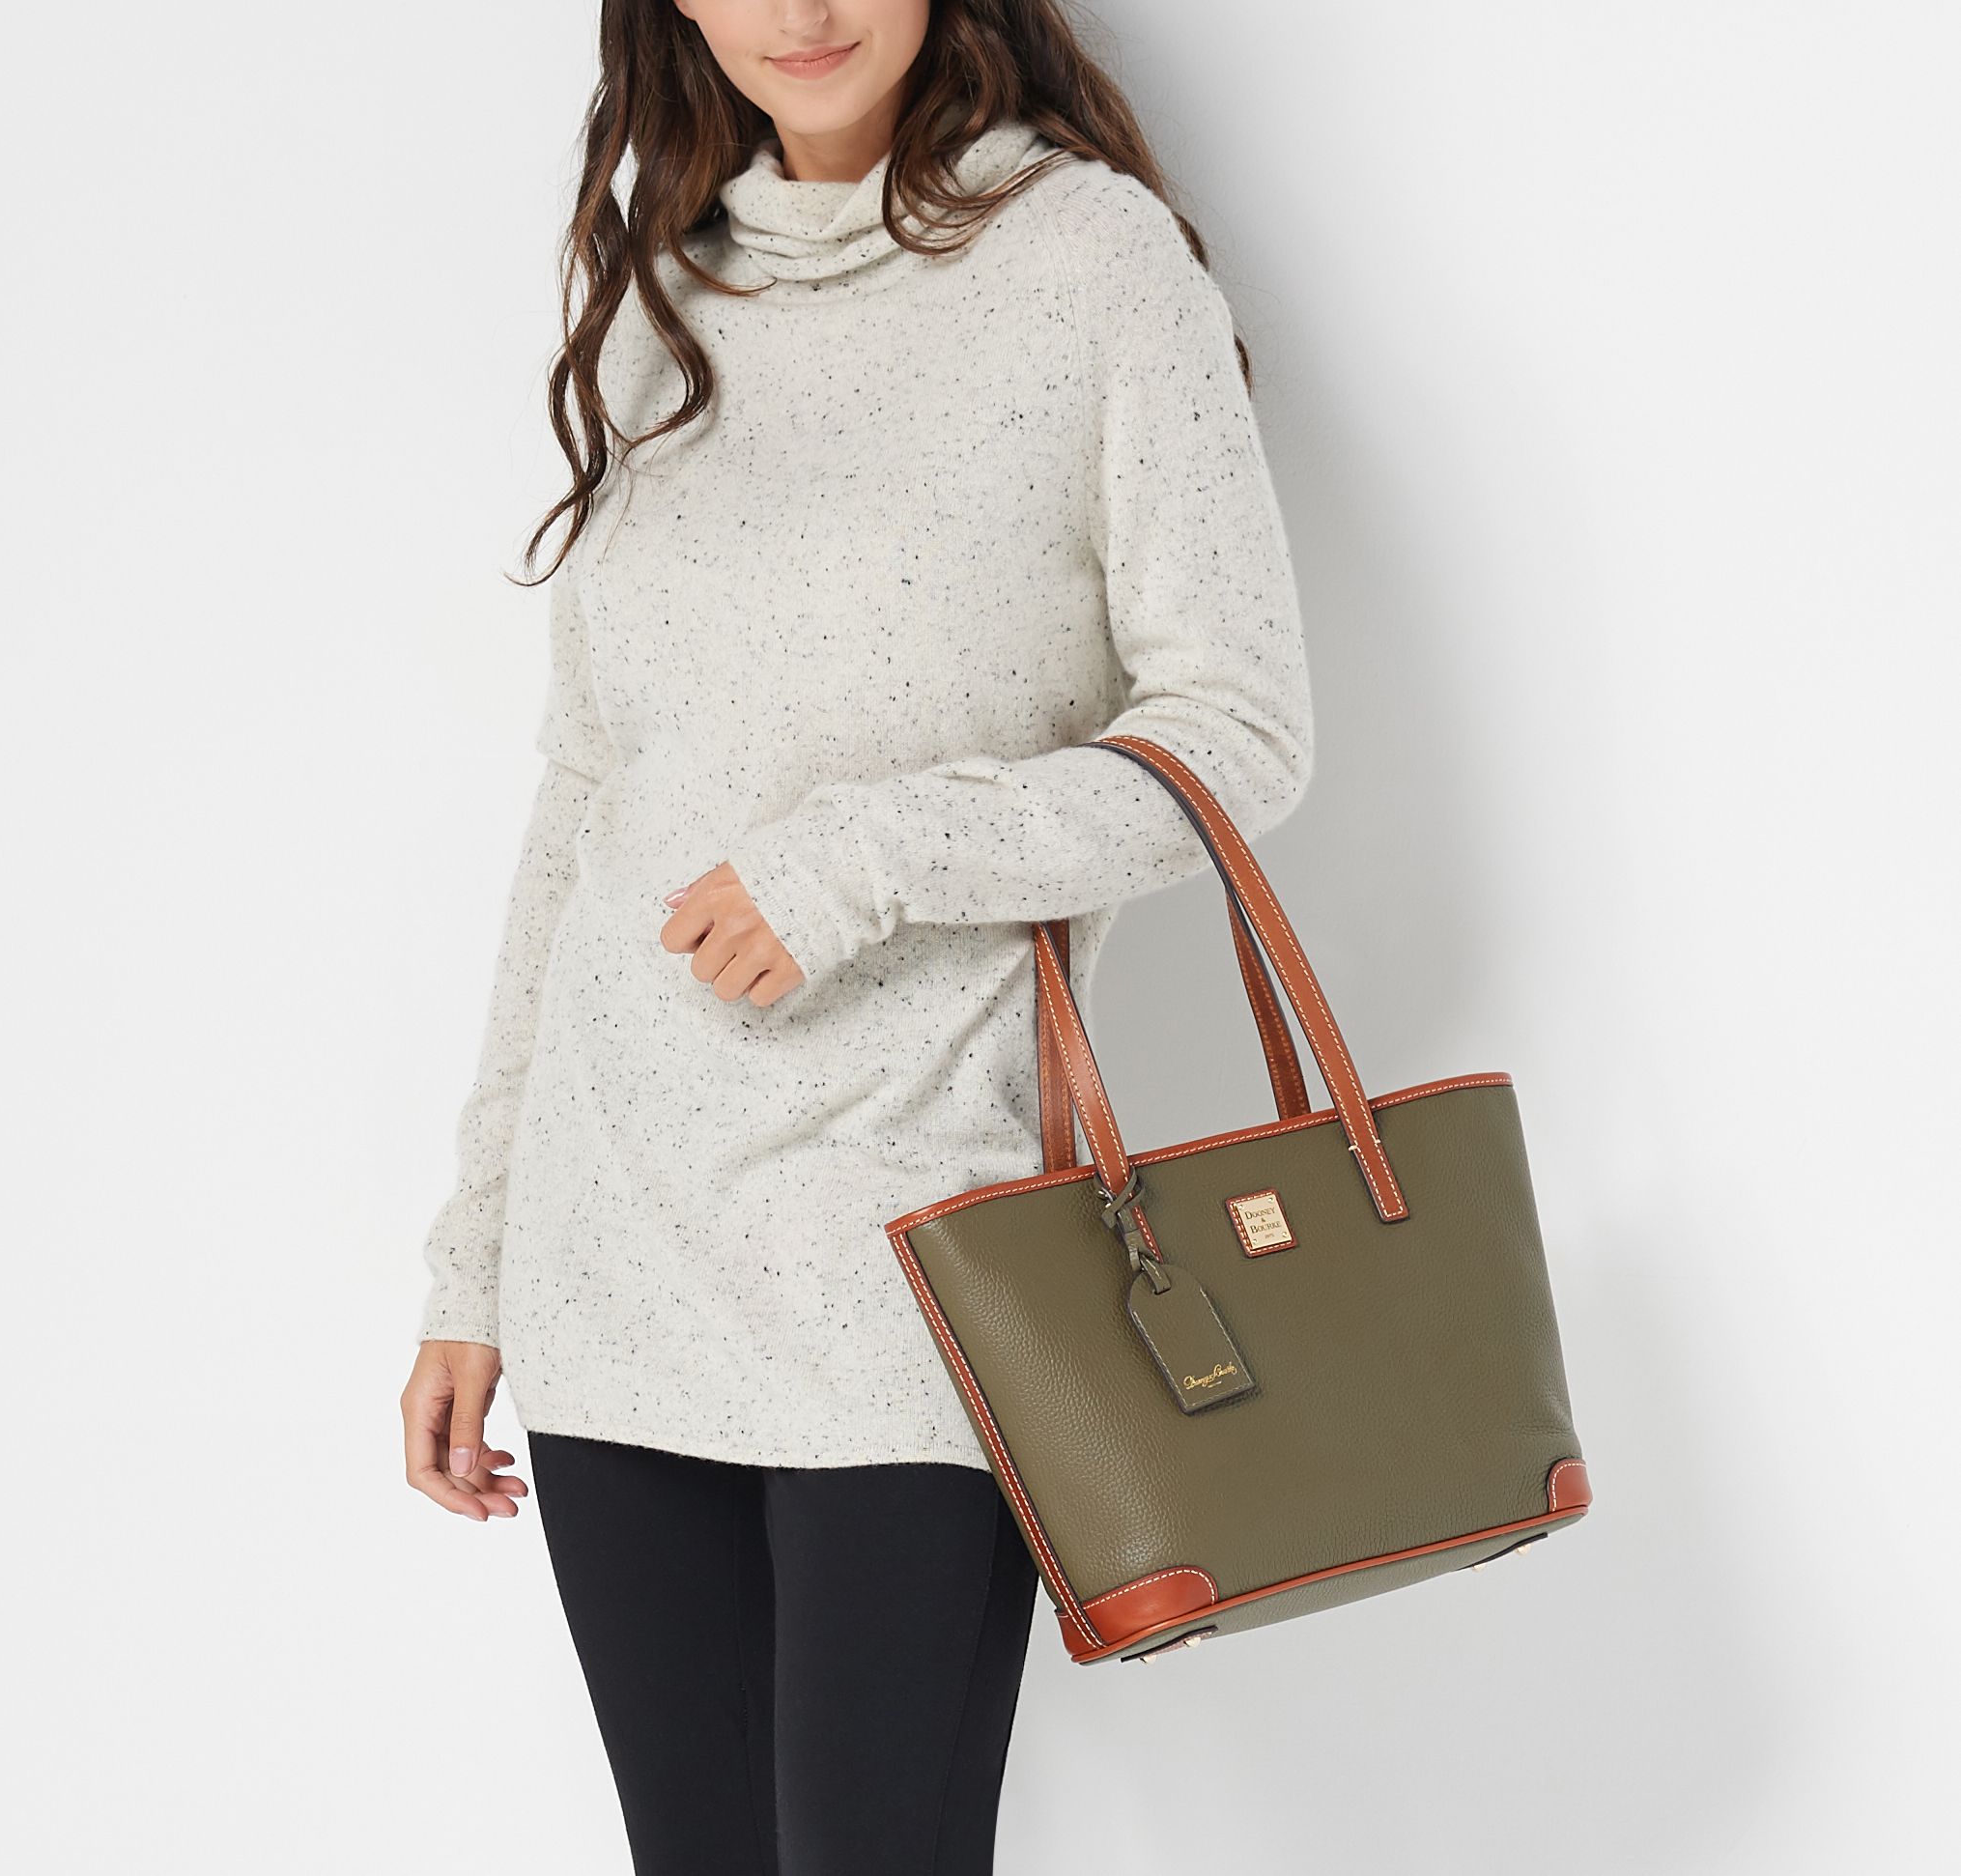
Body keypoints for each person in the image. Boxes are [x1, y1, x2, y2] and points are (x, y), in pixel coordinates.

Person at [399, 2, 1315, 1869]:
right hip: (616, 1242)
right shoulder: (660, 293)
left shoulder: (1089, 262)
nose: (800, 13)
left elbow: (1234, 738)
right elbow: (581, 811)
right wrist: (472, 1260)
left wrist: (860, 862)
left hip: (926, 1246)